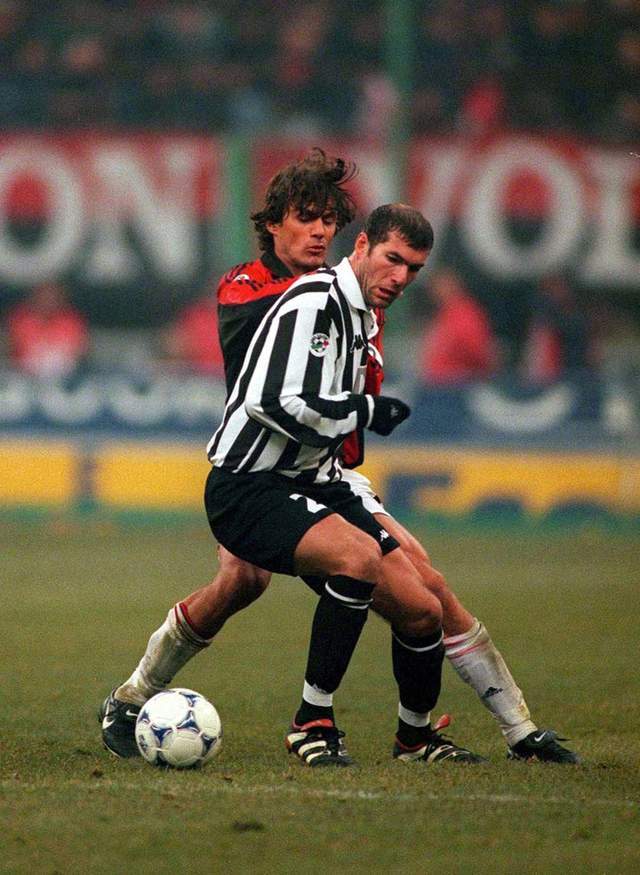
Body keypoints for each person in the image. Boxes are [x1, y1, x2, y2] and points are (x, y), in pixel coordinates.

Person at [100, 151, 579, 766]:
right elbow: (274, 386)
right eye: (307, 218)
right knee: (244, 581)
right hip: (260, 468)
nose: (320, 231)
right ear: (274, 222)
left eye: (330, 220)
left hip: (320, 471)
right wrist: (352, 391)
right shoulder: (257, 290)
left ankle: (511, 728)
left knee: (425, 593)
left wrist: (358, 344)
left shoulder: (358, 306)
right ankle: (136, 695)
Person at [420, 268, 497, 385]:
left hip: (459, 383)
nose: (437, 291)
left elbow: (478, 352)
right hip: (438, 383)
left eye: (443, 285)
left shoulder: (465, 313)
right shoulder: (444, 314)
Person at [5, 281, 89, 379]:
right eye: (43, 296)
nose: (48, 300)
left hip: (66, 378)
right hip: (24, 376)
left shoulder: (72, 322)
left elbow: (81, 353)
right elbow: (9, 351)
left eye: (52, 297)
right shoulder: (20, 320)